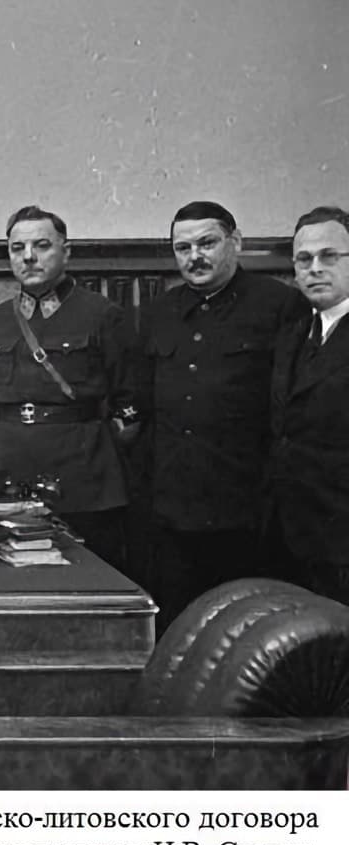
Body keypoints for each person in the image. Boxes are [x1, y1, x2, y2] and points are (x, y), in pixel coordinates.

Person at [139, 201, 308, 632]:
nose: (194, 257)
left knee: (247, 633)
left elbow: (290, 409)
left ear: (236, 243)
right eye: (183, 248)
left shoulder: (280, 305)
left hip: (247, 510)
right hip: (173, 508)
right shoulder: (159, 312)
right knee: (178, 628)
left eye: (207, 243)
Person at [0, 205, 139, 571]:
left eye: (42, 245)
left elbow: (130, 399)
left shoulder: (102, 314)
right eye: (18, 248)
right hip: (10, 469)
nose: (28, 257)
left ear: (66, 252)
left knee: (90, 573)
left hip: (82, 472)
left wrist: (102, 451)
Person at [267, 205, 349, 604]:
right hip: (292, 533)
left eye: (329, 256)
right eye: (304, 259)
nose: (315, 268)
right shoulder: (295, 333)